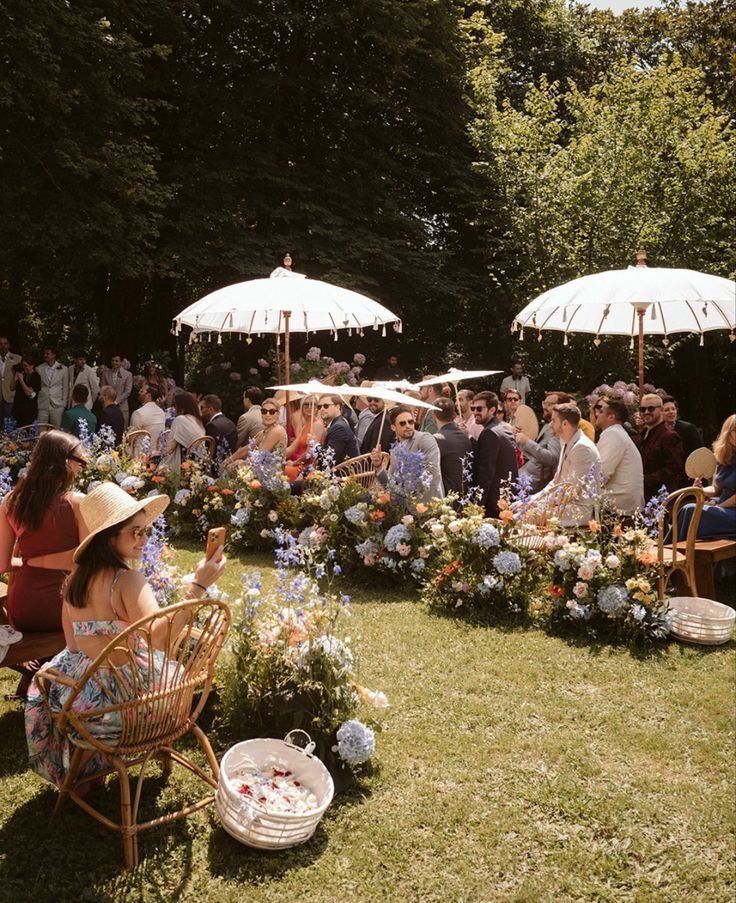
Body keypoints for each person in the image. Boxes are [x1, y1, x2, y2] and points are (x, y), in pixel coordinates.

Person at [24, 482, 226, 790]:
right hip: (132, 716)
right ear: (108, 536)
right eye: (136, 532)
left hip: (83, 714)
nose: (145, 539)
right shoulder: (128, 582)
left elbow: (74, 647)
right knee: (178, 676)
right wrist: (198, 586)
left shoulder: (74, 582)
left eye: (146, 531)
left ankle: (87, 767)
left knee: (85, 674)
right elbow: (159, 641)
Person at [0, 431, 88, 697]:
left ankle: (35, 676)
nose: (82, 466)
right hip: (64, 607)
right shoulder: (77, 503)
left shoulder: (11, 502)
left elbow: (2, 564)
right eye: (80, 460)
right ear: (63, 462)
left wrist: (33, 561)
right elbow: (86, 560)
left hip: (23, 609)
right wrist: (50, 562)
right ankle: (50, 680)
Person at [524, 403, 601, 527]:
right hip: (563, 504)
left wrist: (537, 504)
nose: (550, 424)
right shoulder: (567, 442)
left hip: (578, 510)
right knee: (519, 509)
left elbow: (570, 491)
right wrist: (531, 500)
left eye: (553, 420)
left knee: (523, 516)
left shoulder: (582, 448)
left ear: (565, 424)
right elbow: (556, 482)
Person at [676, 414, 736, 540]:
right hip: (723, 509)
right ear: (727, 433)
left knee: (692, 510)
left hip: (730, 512)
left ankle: (677, 552)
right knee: (687, 509)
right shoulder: (723, 459)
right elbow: (715, 489)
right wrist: (700, 490)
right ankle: (674, 552)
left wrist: (719, 506)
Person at [371, 405, 445, 502]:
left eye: (410, 422)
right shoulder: (396, 450)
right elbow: (389, 484)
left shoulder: (424, 439)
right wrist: (379, 466)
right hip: (404, 507)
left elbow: (433, 472)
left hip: (428, 503)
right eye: (402, 423)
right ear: (393, 427)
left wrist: (403, 491)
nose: (408, 426)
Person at [471, 391, 518, 518]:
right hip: (506, 497)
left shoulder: (489, 433)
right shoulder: (504, 427)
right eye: (473, 408)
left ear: (492, 410)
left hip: (493, 502)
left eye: (479, 408)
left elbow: (486, 471)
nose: (475, 412)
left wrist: (477, 504)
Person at [594, 398, 644, 516]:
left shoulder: (613, 434)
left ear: (611, 417)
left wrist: (582, 492)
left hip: (619, 505)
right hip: (625, 502)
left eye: (601, 412)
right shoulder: (616, 432)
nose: (597, 414)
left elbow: (602, 473)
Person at [633, 393, 685, 500]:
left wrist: (644, 480)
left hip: (661, 499)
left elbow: (673, 470)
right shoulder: (642, 435)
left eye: (651, 409)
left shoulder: (669, 436)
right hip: (642, 496)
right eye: (643, 409)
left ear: (661, 410)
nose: (646, 412)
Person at [516, 392, 562, 493]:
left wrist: (527, 442)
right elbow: (536, 453)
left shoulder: (558, 430)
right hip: (525, 474)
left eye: (549, 404)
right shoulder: (547, 426)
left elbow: (552, 459)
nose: (544, 407)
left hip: (533, 482)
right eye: (544, 403)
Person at [432, 397, 473, 495]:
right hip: (466, 493)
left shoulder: (437, 439)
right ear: (454, 415)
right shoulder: (465, 436)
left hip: (447, 495)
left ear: (433, 416)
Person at [159, 391, 205, 471]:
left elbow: (170, 448)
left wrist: (158, 453)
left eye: (175, 405)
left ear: (181, 406)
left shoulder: (180, 420)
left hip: (185, 463)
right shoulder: (197, 420)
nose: (174, 408)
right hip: (199, 462)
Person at [284, 397, 324, 481]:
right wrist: (277, 455)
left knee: (282, 471)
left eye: (313, 405)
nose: (309, 407)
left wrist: (294, 463)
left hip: (309, 467)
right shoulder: (305, 426)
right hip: (301, 464)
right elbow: (291, 448)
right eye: (306, 404)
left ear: (317, 408)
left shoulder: (317, 425)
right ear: (301, 407)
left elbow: (309, 453)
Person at [317, 394, 359, 465]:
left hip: (343, 474)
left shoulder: (339, 428)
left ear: (337, 407)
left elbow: (329, 460)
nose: (322, 409)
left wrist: (315, 445)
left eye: (326, 406)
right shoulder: (337, 424)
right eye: (319, 406)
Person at [662, 396, 704, 461]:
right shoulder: (658, 431)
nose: (671, 412)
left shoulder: (688, 429)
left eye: (673, 409)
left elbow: (699, 453)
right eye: (667, 410)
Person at [36, 346, 69, 428]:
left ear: (54, 355)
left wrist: (63, 404)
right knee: (41, 428)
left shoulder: (64, 369)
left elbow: (65, 388)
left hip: (57, 404)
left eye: (48, 354)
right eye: (44, 354)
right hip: (43, 403)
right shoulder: (39, 368)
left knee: (57, 428)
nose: (45, 356)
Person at [129, 382, 166, 452]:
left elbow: (131, 439)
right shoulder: (161, 412)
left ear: (148, 396)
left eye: (142, 391)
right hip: (158, 452)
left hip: (142, 454)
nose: (139, 392)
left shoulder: (139, 413)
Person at [99, 354, 133, 428]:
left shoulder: (128, 375)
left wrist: (116, 401)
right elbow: (103, 388)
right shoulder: (105, 373)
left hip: (122, 406)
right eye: (112, 361)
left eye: (116, 361)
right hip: (107, 405)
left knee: (122, 429)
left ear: (121, 362)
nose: (114, 363)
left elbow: (128, 391)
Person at [11, 355, 42, 427]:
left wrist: (21, 380)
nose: (24, 368)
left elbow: (30, 394)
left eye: (26, 365)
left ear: (32, 366)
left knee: (27, 434)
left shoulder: (36, 377)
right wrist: (14, 375)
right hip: (18, 410)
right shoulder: (23, 375)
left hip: (28, 412)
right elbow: (11, 387)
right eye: (22, 365)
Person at [0, 334, 21, 428]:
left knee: (10, 425)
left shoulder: (17, 359)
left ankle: (11, 443)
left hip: (10, 396)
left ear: (9, 345)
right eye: (0, 344)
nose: (3, 346)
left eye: (5, 343)